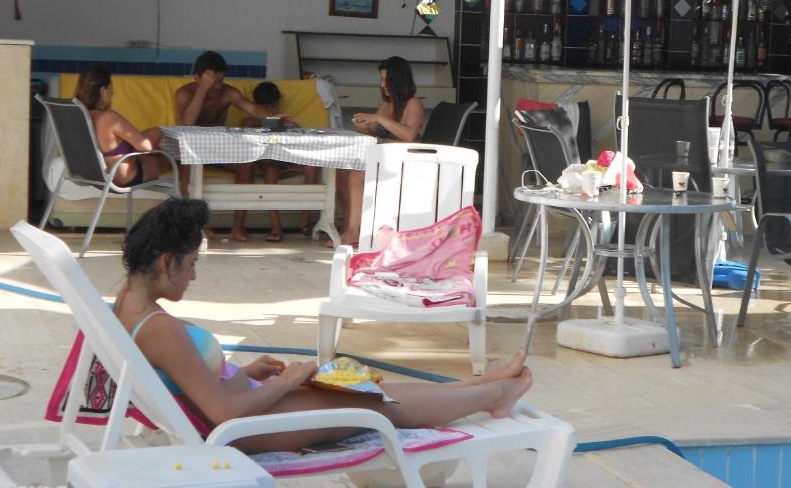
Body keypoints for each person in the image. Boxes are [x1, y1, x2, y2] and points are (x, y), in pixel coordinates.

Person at [114, 198, 532, 454]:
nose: (193, 275)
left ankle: (480, 385)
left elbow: (189, 381)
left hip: (244, 407)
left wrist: (247, 373)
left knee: (368, 391)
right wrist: (289, 379)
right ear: (166, 262)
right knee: (376, 405)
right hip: (242, 430)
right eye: (191, 264)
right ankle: (494, 394)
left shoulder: (126, 305)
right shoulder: (159, 329)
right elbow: (223, 413)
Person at [174, 51, 271, 242]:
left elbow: (252, 109)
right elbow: (186, 125)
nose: (218, 86)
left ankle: (238, 225)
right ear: (197, 78)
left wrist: (274, 117)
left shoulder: (228, 93)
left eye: (221, 80)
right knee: (187, 165)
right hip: (190, 149)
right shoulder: (184, 94)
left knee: (247, 164)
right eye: (212, 82)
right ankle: (197, 226)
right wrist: (202, 89)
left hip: (217, 149)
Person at [337, 56, 425, 246]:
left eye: (386, 79)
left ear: (399, 80)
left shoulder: (413, 103)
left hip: (406, 160)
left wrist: (380, 119)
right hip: (385, 158)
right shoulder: (386, 105)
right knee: (341, 172)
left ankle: (353, 231)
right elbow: (378, 131)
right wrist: (365, 127)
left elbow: (409, 135)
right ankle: (351, 225)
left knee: (356, 174)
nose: (382, 84)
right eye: (381, 79)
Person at [239, 81, 319, 243]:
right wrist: (268, 122)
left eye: (273, 106)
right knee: (271, 168)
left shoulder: (285, 120)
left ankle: (305, 218)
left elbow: (302, 136)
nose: (270, 110)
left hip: (287, 156)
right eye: (266, 107)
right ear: (256, 106)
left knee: (311, 165)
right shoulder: (250, 122)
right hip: (267, 159)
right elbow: (245, 131)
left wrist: (292, 125)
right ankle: (276, 226)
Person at [75, 67, 172, 187]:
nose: (112, 93)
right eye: (111, 88)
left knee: (151, 148)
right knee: (163, 148)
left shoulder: (79, 115)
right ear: (103, 91)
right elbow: (145, 146)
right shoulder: (108, 118)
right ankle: (184, 190)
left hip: (95, 175)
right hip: (123, 177)